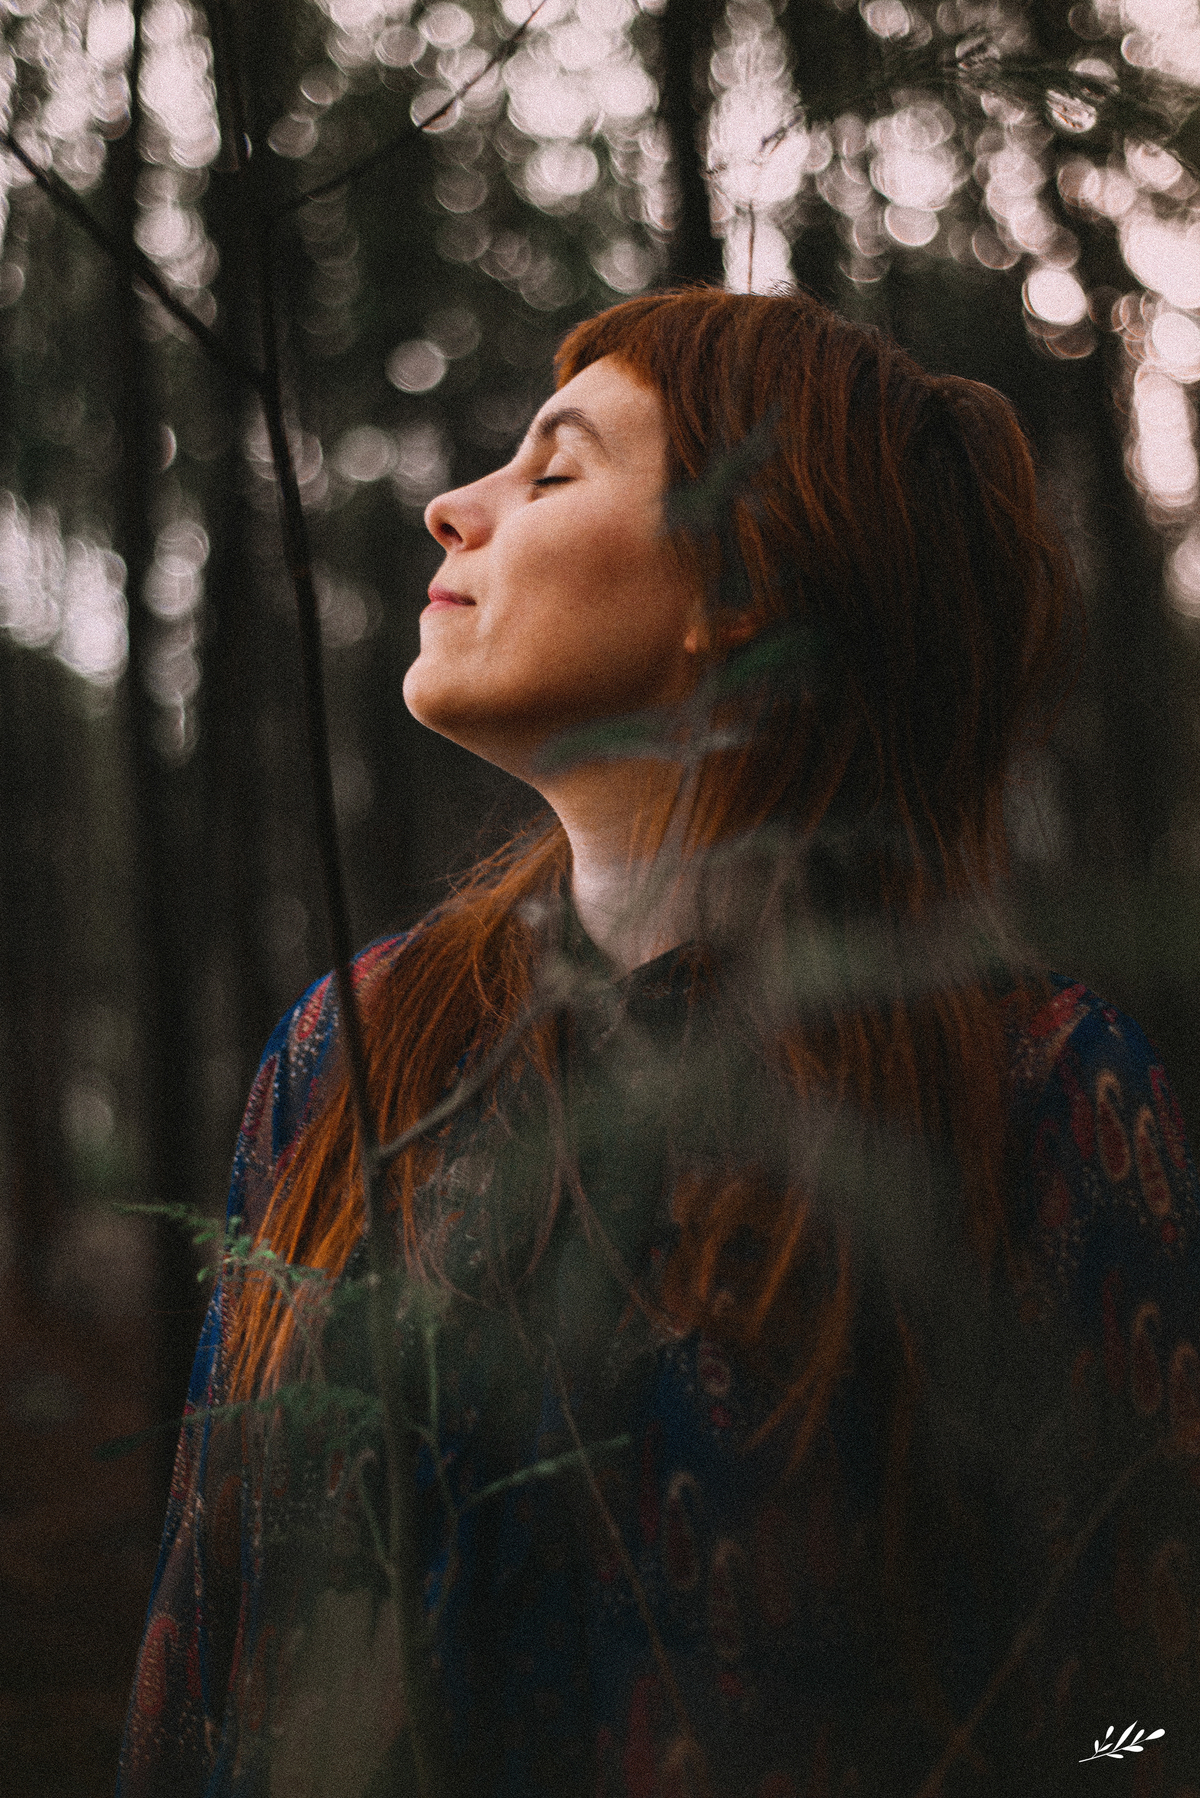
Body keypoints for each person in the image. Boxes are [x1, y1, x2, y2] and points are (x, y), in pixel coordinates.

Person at [118, 289, 1200, 1798]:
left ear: (744, 573)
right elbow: (204, 1632)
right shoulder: (356, 1040)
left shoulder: (1040, 1092)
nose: (451, 505)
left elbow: (1143, 1722)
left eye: (552, 471)